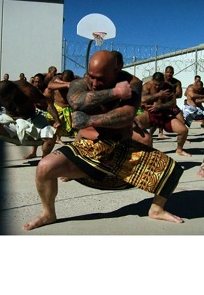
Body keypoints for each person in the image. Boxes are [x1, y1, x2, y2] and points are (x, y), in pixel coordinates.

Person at [23, 50, 184, 230]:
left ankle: (156, 209)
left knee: (173, 171)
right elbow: (77, 101)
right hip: (87, 148)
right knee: (44, 168)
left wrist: (88, 120)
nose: (93, 82)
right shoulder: (82, 82)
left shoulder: (133, 83)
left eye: (100, 78)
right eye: (91, 76)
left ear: (117, 70)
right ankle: (48, 213)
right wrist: (115, 92)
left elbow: (126, 115)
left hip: (121, 150)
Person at [0, 79, 60, 170]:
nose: (7, 100)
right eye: (4, 98)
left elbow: (47, 104)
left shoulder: (28, 90)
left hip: (30, 119)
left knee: (51, 134)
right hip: (10, 119)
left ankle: (44, 162)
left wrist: (56, 120)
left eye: (8, 97)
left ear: (14, 90)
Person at [135, 71, 190, 156]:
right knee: (135, 123)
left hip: (165, 114)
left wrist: (160, 106)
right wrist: (158, 95)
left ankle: (179, 150)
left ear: (163, 81)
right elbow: (142, 100)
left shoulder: (168, 87)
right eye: (155, 84)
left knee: (184, 130)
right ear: (152, 80)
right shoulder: (147, 86)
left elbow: (173, 103)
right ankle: (146, 151)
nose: (157, 86)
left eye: (159, 85)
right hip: (150, 113)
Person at [150, 65, 183, 138]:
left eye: (171, 72)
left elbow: (179, 94)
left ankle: (182, 136)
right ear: (165, 72)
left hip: (171, 104)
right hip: (160, 103)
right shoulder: (161, 81)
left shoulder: (176, 82)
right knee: (156, 121)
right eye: (167, 72)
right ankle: (154, 134)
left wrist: (170, 94)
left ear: (173, 73)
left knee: (182, 120)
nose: (169, 74)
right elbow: (154, 91)